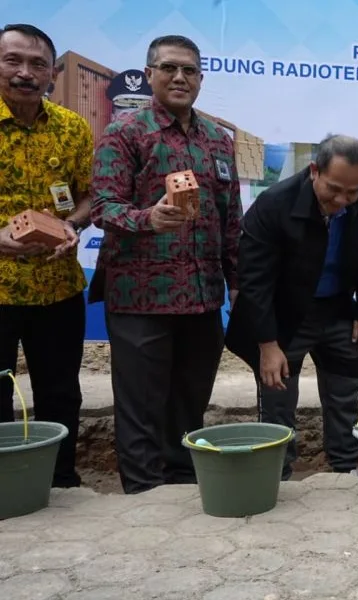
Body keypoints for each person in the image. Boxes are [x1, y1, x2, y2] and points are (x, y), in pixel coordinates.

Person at [89, 35, 242, 494]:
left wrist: (237, 282)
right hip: (141, 297)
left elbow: (231, 220)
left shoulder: (219, 140)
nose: (180, 78)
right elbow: (103, 207)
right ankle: (142, 492)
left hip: (202, 297)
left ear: (200, 79)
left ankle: (182, 483)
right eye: (169, 68)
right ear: (149, 74)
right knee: (140, 404)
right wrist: (148, 219)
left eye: (189, 70)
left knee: (190, 401)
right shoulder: (125, 132)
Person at [225, 134, 358, 480]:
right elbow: (254, 281)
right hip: (284, 313)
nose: (342, 200)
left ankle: (344, 468)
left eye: (353, 192)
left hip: (337, 307)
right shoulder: (275, 204)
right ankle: (279, 474)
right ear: (314, 170)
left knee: (345, 385)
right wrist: (267, 344)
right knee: (278, 392)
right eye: (334, 189)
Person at [0, 24, 92, 488]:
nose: (25, 73)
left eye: (37, 64)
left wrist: (72, 224)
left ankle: (60, 480)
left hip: (59, 288)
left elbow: (89, 195)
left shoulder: (72, 128)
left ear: (53, 73)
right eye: (12, 60)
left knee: (60, 392)